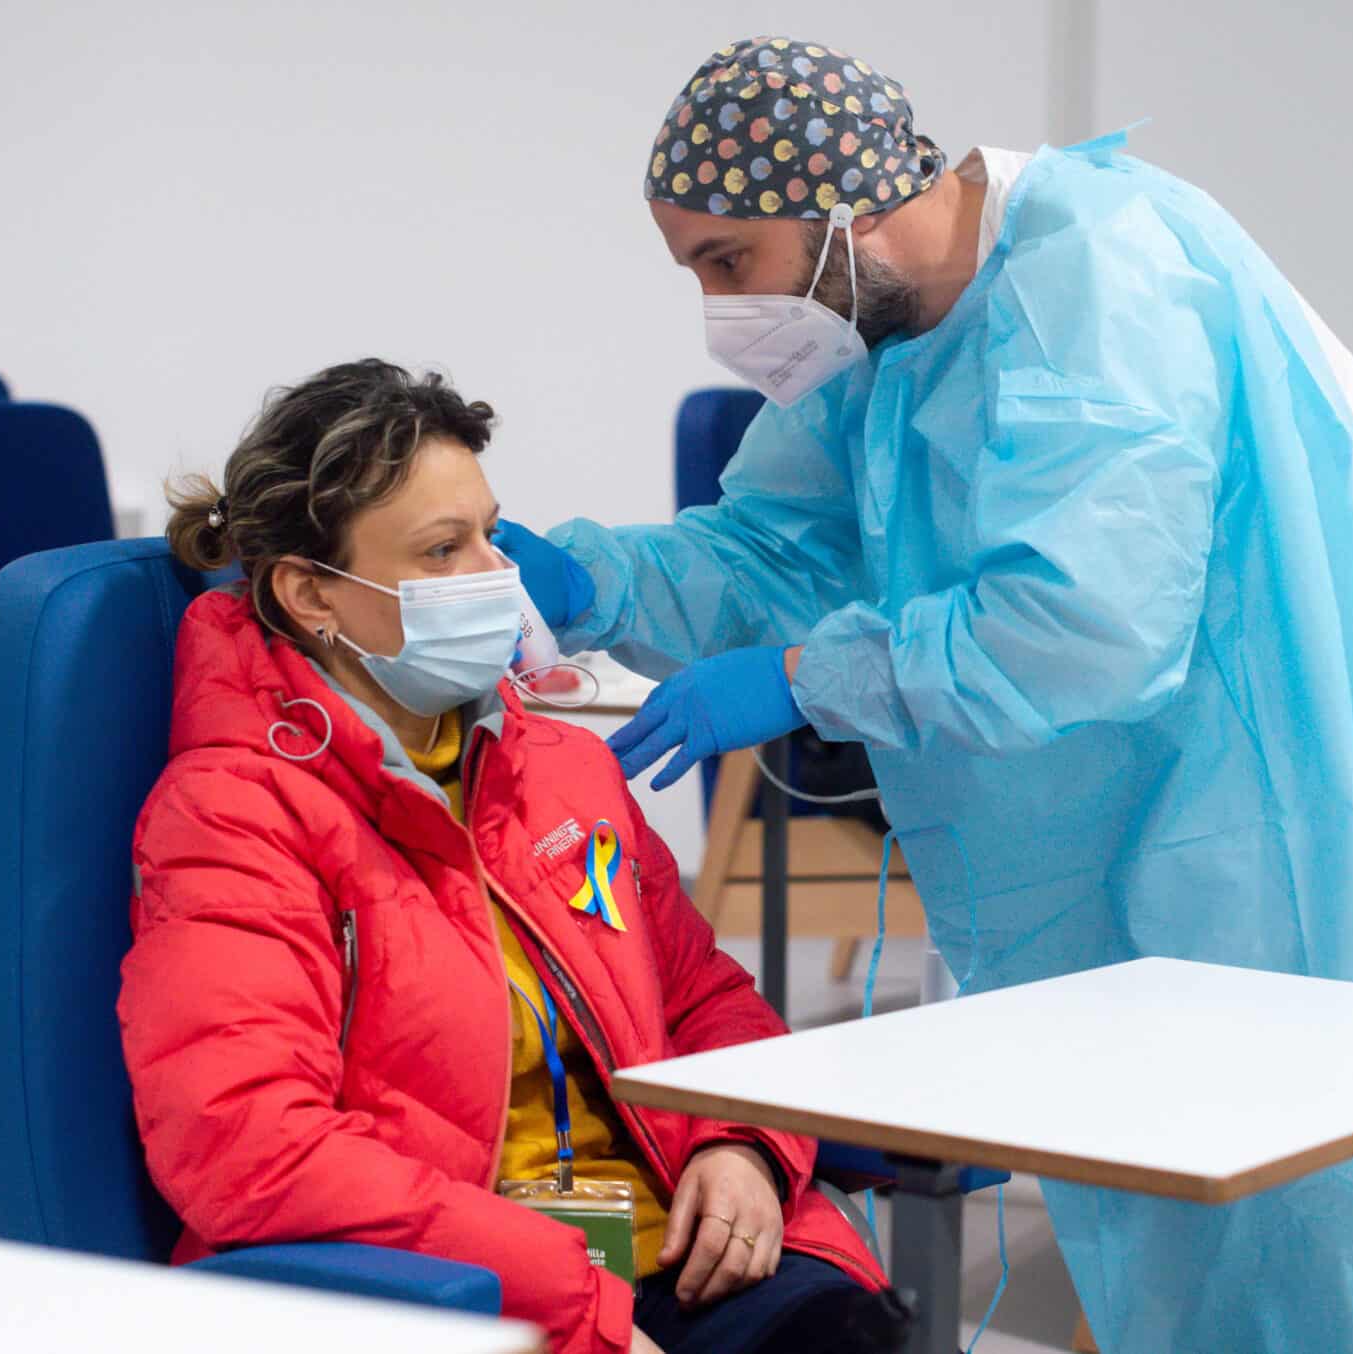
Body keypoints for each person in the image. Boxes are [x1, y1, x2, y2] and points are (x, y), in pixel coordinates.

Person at [492, 36, 1353, 1354]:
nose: (723, 308)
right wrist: (595, 579)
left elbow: (1088, 623)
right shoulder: (874, 348)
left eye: (729, 262)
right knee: (1208, 1252)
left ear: (839, 209)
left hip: (1308, 812)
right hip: (1133, 855)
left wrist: (798, 677)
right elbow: (767, 547)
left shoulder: (1099, 267)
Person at [120, 359, 900, 1354]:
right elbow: (248, 1145)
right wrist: (572, 1297)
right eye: (442, 549)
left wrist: (743, 1144)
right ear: (311, 592)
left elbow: (705, 1001)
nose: (495, 573)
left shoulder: (557, 768)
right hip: (466, 1295)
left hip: (681, 1249)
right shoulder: (235, 814)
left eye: (490, 531)